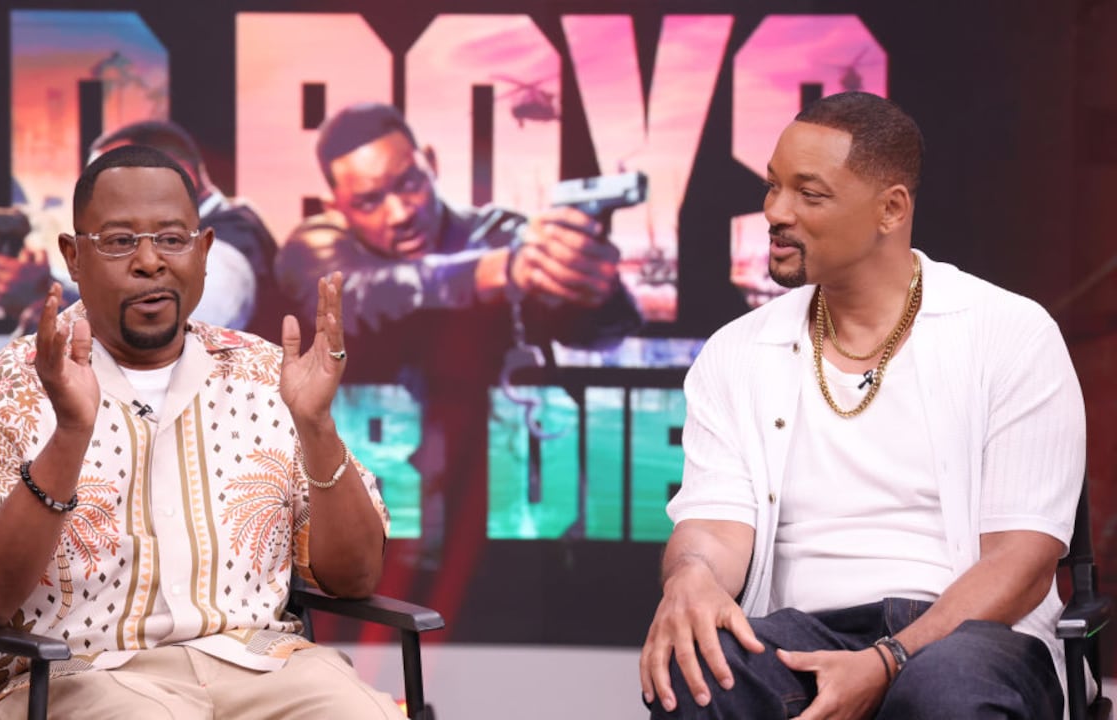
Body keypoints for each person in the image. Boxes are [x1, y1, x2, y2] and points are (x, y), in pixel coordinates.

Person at [639, 91, 1086, 719]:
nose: (775, 211)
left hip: (973, 635)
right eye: (772, 186)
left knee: (943, 693)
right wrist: (691, 576)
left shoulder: (1010, 333)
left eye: (809, 194)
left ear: (891, 209)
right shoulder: (737, 351)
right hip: (803, 630)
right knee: (696, 674)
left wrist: (888, 661)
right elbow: (715, 528)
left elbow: (1023, 560)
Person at [0, 144, 401, 718]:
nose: (150, 261)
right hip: (80, 674)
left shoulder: (266, 372)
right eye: (121, 241)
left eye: (172, 240)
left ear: (203, 251)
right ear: (74, 258)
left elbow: (354, 578)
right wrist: (71, 434)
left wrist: (317, 427)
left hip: (265, 666)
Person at [274, 101, 642, 611]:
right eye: (370, 201)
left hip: (506, 530)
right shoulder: (316, 249)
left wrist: (590, 283)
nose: (400, 212)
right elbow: (360, 296)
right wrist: (495, 272)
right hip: (379, 542)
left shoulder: (499, 232)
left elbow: (603, 329)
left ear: (431, 162)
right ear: (336, 204)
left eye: (408, 183)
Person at [0, 120, 279, 335]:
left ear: (179, 175)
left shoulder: (229, 254)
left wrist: (44, 303)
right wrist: (45, 286)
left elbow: (168, 328)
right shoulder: (209, 232)